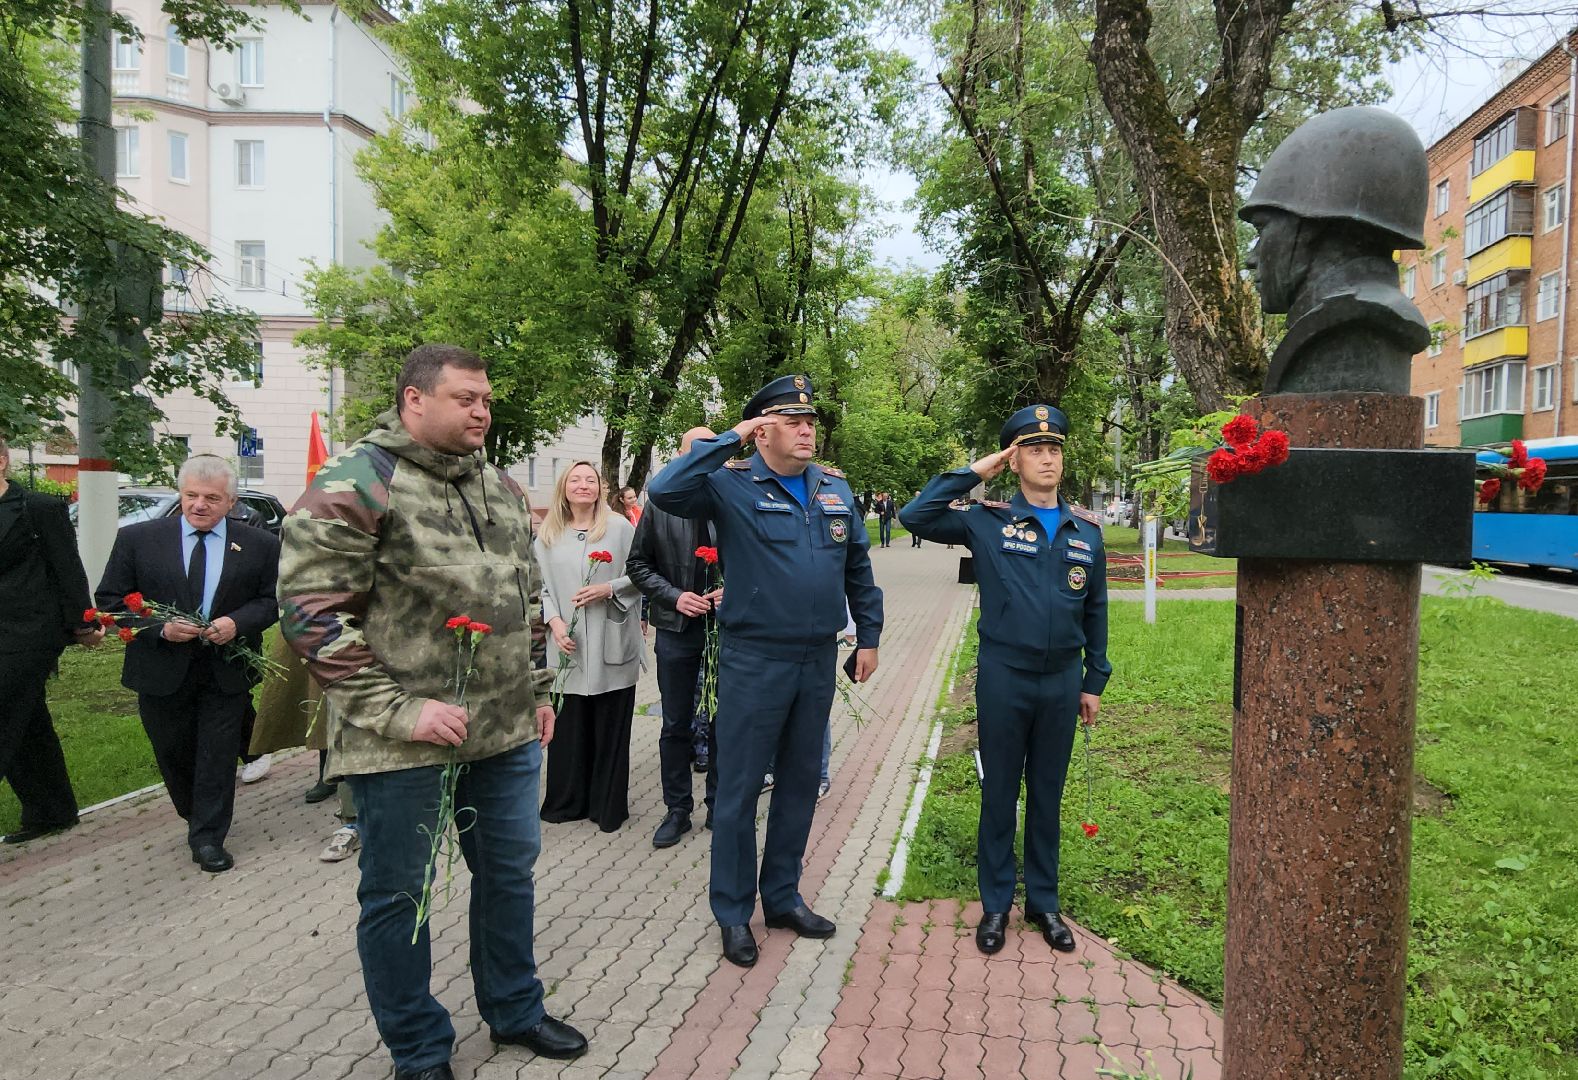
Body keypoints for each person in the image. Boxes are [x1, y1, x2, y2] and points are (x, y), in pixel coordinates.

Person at [278, 344, 587, 1080]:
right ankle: (418, 1049)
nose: (482, 411)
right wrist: (399, 712)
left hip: (504, 732)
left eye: (486, 399)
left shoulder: (501, 489)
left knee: (510, 874)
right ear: (415, 401)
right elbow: (309, 615)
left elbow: (519, 601)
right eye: (465, 399)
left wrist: (538, 690)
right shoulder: (357, 481)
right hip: (401, 743)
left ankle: (514, 1010)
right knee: (397, 896)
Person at [647, 373, 883, 969]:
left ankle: (781, 897)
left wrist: (870, 638)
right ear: (763, 429)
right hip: (754, 658)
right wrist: (732, 438)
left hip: (815, 660)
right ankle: (732, 912)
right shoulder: (729, 484)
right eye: (792, 421)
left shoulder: (833, 488)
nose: (807, 430)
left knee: (801, 783)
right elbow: (666, 489)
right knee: (739, 788)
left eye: (810, 422)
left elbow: (858, 566)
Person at [900, 404, 1110, 956]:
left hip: (1062, 680)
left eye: (1055, 449)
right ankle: (995, 903)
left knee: (1047, 793)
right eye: (1035, 449)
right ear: (1016, 459)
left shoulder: (1085, 531)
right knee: (999, 791)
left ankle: (1044, 901)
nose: (1047, 458)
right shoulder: (986, 521)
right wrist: (977, 471)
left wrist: (1095, 680)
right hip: (1004, 677)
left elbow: (1096, 611)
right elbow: (915, 516)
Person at [95, 454, 280, 873]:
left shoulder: (260, 545)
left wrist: (237, 622)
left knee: (216, 755)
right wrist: (160, 627)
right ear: (180, 494)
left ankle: (209, 837)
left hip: (225, 670)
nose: (199, 505)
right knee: (173, 752)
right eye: (191, 495)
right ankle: (193, 814)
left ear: (231, 502)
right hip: (160, 670)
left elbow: (272, 601)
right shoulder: (138, 539)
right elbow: (110, 602)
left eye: (212, 498)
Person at [0, 436, 100, 844]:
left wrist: (83, 623)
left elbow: (67, 568)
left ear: (2, 461)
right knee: (27, 722)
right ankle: (52, 811)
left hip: (30, 633)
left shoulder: (37, 508)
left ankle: (50, 809)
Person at [627, 427, 723, 847]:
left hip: (725, 627)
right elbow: (638, 565)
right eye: (694, 452)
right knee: (675, 723)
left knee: (725, 720)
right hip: (676, 626)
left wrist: (733, 589)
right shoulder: (660, 505)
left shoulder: (731, 499)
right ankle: (677, 809)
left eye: (710, 450)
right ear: (682, 457)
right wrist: (674, 596)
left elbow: (759, 559)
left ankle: (719, 805)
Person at [534, 461, 644, 832]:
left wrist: (609, 588)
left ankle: (606, 805)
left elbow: (642, 573)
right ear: (563, 487)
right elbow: (540, 588)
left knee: (610, 723)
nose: (583, 485)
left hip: (610, 639)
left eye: (590, 480)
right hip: (568, 642)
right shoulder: (548, 534)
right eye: (575, 480)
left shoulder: (618, 528)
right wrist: (555, 622)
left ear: (601, 488)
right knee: (570, 724)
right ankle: (567, 800)